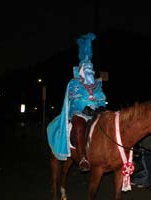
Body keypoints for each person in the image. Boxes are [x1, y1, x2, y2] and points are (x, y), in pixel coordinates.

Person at [47, 33, 107, 172]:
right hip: (79, 113)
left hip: (96, 113)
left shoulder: (97, 84)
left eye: (91, 70)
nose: (89, 72)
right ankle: (82, 158)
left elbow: (102, 98)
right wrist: (85, 107)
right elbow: (74, 100)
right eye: (86, 69)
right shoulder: (74, 84)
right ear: (80, 71)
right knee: (79, 124)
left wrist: (101, 107)